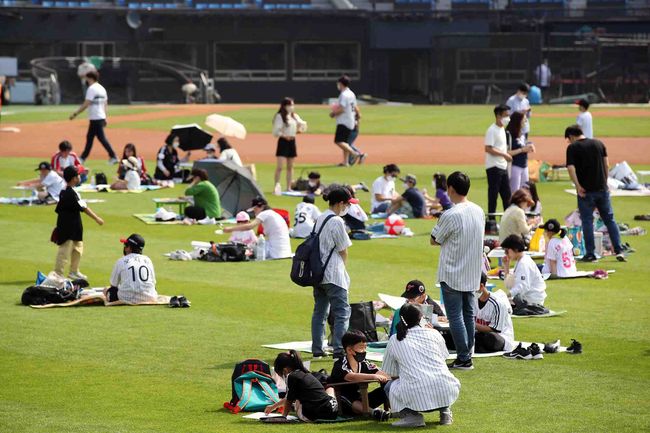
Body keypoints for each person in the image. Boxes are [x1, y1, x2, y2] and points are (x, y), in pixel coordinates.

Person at [430, 171, 484, 370]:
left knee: (455, 316)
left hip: (453, 271)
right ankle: (468, 352)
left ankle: (463, 357)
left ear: (451, 189)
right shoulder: (478, 210)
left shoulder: (450, 214)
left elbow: (434, 240)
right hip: (471, 271)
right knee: (468, 314)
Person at [381, 304, 460, 427]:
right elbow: (443, 358)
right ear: (421, 317)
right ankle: (445, 412)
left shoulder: (394, 339)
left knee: (389, 386)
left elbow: (390, 373)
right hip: (447, 389)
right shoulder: (434, 333)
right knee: (440, 378)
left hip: (416, 395)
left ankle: (411, 416)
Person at [565, 125, 626, 262]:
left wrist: (578, 186)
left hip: (586, 192)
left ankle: (590, 253)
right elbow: (606, 164)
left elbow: (571, 168)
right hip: (602, 189)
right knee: (609, 219)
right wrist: (605, 182)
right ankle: (618, 249)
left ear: (571, 136)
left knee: (587, 221)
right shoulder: (599, 144)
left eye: (568, 140)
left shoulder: (573, 148)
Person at [311, 187, 357, 358]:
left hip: (317, 273)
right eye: (347, 204)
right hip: (333, 274)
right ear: (340, 203)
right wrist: (343, 269)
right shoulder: (336, 221)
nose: (348, 207)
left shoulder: (320, 217)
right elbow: (343, 249)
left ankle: (317, 349)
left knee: (320, 312)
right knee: (342, 313)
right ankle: (339, 349)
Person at [54, 166, 104, 279]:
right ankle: (58, 274)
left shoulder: (68, 190)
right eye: (78, 175)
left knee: (78, 248)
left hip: (74, 225)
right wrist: (97, 218)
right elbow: (84, 208)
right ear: (73, 178)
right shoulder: (69, 193)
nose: (80, 176)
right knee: (64, 251)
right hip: (67, 226)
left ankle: (74, 271)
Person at [328, 330, 390, 420]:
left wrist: (386, 376)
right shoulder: (340, 364)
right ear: (349, 350)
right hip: (342, 401)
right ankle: (374, 412)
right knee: (347, 398)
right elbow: (351, 376)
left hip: (361, 398)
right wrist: (373, 376)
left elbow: (379, 373)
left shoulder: (364, 363)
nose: (364, 351)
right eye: (361, 348)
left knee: (386, 389)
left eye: (365, 347)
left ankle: (397, 410)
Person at [264, 350, 338, 422]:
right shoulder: (304, 372)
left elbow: (289, 399)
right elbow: (288, 397)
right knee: (328, 390)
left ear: (285, 370)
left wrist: (284, 416)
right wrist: (273, 407)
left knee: (297, 401)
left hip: (316, 415)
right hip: (332, 411)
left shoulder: (291, 376)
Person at [69, 71, 118, 164]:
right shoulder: (102, 88)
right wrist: (105, 117)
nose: (86, 80)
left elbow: (86, 103)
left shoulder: (91, 89)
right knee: (91, 138)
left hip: (95, 117)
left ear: (90, 78)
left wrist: (75, 113)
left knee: (100, 138)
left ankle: (113, 156)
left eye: (86, 78)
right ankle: (83, 158)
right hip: (100, 117)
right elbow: (105, 104)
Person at [223, 197, 292, 259]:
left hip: (276, 252)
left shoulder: (264, 213)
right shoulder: (272, 213)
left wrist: (230, 229)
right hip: (285, 251)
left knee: (247, 250)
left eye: (255, 209)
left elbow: (250, 226)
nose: (254, 212)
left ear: (261, 207)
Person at [104, 234, 158, 304]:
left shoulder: (121, 261)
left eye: (125, 245)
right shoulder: (148, 260)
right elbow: (153, 282)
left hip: (126, 298)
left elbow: (114, 285)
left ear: (129, 248)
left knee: (107, 290)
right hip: (149, 297)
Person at [501, 234, 547, 307]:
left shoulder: (524, 263)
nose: (506, 254)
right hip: (527, 298)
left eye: (507, 251)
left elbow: (523, 287)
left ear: (515, 249)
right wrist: (506, 266)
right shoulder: (520, 261)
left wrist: (507, 295)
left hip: (533, 301)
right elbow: (509, 285)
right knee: (500, 302)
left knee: (501, 304)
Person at [475, 273, 515, 353]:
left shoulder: (498, 303)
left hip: (500, 337)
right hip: (479, 333)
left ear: (481, 286)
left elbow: (494, 329)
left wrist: (471, 324)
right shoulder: (472, 300)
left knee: (490, 338)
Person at [273, 97, 307, 192]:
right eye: (290, 105)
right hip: (283, 141)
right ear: (285, 106)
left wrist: (299, 130)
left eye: (292, 105)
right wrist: (284, 136)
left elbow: (302, 124)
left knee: (290, 166)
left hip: (292, 141)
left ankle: (288, 187)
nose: (292, 107)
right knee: (280, 166)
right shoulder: (280, 116)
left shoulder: (294, 116)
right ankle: (276, 186)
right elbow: (276, 131)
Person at [485, 104, 513, 218]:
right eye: (505, 115)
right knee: (493, 195)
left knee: (507, 195)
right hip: (494, 167)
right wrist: (504, 155)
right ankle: (491, 220)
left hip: (503, 166)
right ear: (498, 116)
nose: (508, 118)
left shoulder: (502, 129)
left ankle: (508, 219)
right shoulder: (492, 130)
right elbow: (488, 148)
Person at [330, 75, 361, 167]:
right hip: (350, 119)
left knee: (338, 141)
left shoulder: (343, 95)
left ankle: (355, 154)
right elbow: (354, 107)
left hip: (344, 121)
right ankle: (345, 162)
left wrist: (333, 113)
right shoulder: (351, 93)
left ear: (341, 84)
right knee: (345, 142)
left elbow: (342, 109)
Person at [506, 111, 536, 193]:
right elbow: (506, 152)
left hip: (524, 166)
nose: (525, 122)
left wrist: (530, 145)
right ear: (518, 121)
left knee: (524, 191)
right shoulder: (509, 135)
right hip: (515, 166)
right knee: (514, 192)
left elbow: (524, 144)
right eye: (524, 120)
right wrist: (522, 150)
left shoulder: (522, 134)